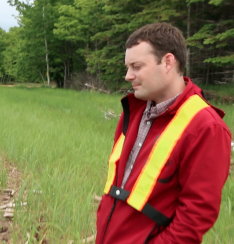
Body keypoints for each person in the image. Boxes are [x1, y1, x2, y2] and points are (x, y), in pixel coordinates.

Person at [96, 23, 231, 243]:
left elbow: (195, 217)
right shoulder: (133, 112)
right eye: (127, 67)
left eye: (136, 66)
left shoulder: (206, 127)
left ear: (168, 62)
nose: (128, 76)